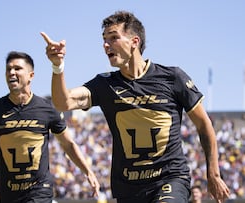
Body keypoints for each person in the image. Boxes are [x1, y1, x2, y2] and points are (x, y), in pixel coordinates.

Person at [41, 10, 230, 203]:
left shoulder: (172, 77)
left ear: (134, 42)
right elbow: (62, 102)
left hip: (170, 179)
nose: (106, 45)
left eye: (114, 38)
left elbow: (204, 125)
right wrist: (57, 67)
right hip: (129, 188)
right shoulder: (104, 84)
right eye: (104, 39)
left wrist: (213, 173)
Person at [0, 51, 100, 203]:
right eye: (8, 69)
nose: (12, 72)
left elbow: (68, 144)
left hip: (40, 192)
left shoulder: (47, 107)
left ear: (31, 75)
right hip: (9, 195)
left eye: (17, 68)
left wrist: (88, 171)